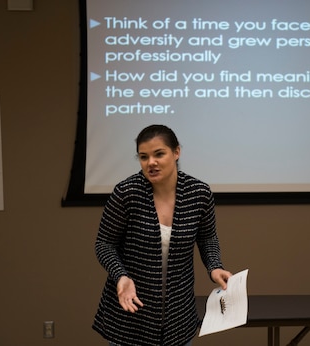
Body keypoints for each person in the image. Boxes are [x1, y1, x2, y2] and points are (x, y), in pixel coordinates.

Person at [93, 124, 232, 346]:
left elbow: (207, 238)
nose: (151, 163)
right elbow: (104, 244)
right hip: (131, 312)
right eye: (143, 157)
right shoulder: (126, 192)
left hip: (178, 316)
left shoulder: (199, 193)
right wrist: (121, 276)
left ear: (176, 152)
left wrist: (214, 266)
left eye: (159, 154)